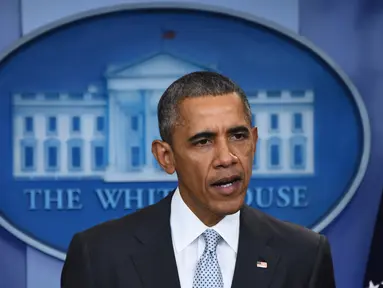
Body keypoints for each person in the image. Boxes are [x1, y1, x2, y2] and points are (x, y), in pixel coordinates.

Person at [61, 71, 336, 288]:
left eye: (238, 137)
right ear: (166, 157)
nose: (227, 157)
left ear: (254, 141)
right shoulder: (99, 255)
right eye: (203, 141)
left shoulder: (304, 255)